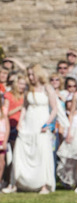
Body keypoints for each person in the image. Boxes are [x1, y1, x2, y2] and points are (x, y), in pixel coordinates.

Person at [6, 64, 58, 194]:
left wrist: (48, 123)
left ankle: (44, 185)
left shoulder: (47, 88)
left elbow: (55, 109)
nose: (30, 77)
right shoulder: (29, 89)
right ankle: (15, 183)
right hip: (28, 122)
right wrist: (20, 122)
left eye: (32, 74)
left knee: (41, 151)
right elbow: (25, 106)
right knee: (20, 150)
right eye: (28, 74)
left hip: (41, 122)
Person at [0, 97, 10, 188]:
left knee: (2, 162)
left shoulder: (3, 111)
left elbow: (7, 128)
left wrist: (5, 141)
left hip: (2, 140)